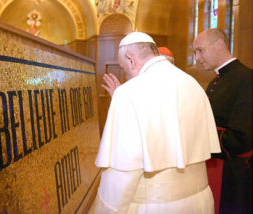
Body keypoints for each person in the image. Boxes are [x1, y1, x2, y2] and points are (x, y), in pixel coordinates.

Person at [92, 31, 221, 213]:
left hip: (155, 207)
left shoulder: (129, 93)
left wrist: (105, 209)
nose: (128, 76)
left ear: (130, 59)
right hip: (200, 203)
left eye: (125, 69)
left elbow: (122, 173)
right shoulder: (193, 84)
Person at [193, 28, 252, 214]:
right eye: (194, 52)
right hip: (216, 165)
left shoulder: (247, 79)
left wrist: (199, 139)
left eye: (200, 50)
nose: (197, 57)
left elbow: (242, 137)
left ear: (219, 44)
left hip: (235, 174)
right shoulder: (215, 81)